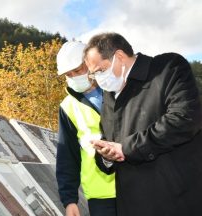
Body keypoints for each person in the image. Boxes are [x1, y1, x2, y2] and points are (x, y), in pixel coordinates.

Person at [83, 32, 202, 216]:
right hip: (132, 204)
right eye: (93, 74)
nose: (98, 79)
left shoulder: (167, 69)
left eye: (100, 70)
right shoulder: (110, 95)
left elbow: (184, 118)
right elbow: (109, 140)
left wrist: (127, 148)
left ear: (120, 57)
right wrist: (106, 156)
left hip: (177, 199)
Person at [55, 41, 116, 216]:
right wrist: (69, 200)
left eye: (78, 70)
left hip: (138, 184)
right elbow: (67, 155)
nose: (74, 76)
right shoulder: (68, 107)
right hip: (102, 196)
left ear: (90, 62)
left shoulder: (117, 88)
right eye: (69, 74)